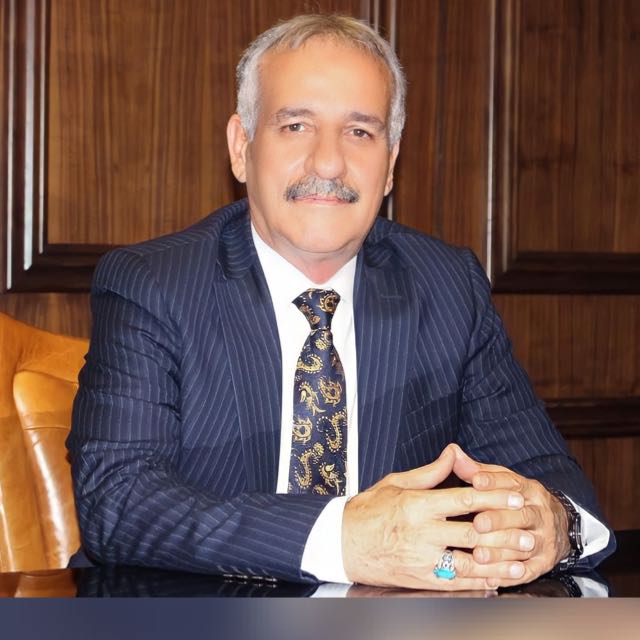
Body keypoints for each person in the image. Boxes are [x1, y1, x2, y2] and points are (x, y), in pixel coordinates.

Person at [68, 14, 614, 591]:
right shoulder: (153, 284)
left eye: (359, 132)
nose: (328, 163)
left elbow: (551, 477)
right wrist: (343, 538)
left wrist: (553, 526)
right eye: (296, 125)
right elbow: (119, 501)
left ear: (390, 164)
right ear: (241, 147)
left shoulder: (447, 285)